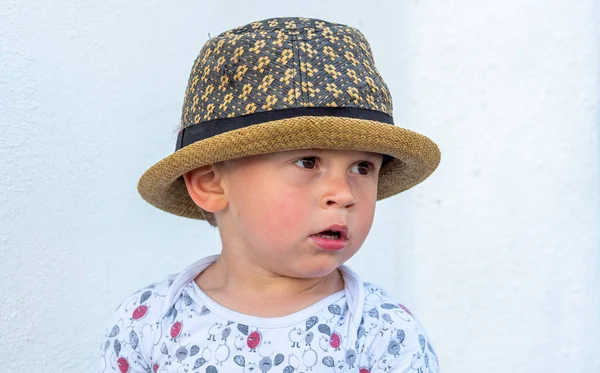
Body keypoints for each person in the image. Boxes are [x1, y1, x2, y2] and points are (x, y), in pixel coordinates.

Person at [100, 17, 441, 373]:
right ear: (210, 184)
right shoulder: (147, 324)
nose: (342, 194)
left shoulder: (385, 335)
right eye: (307, 162)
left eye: (362, 168)